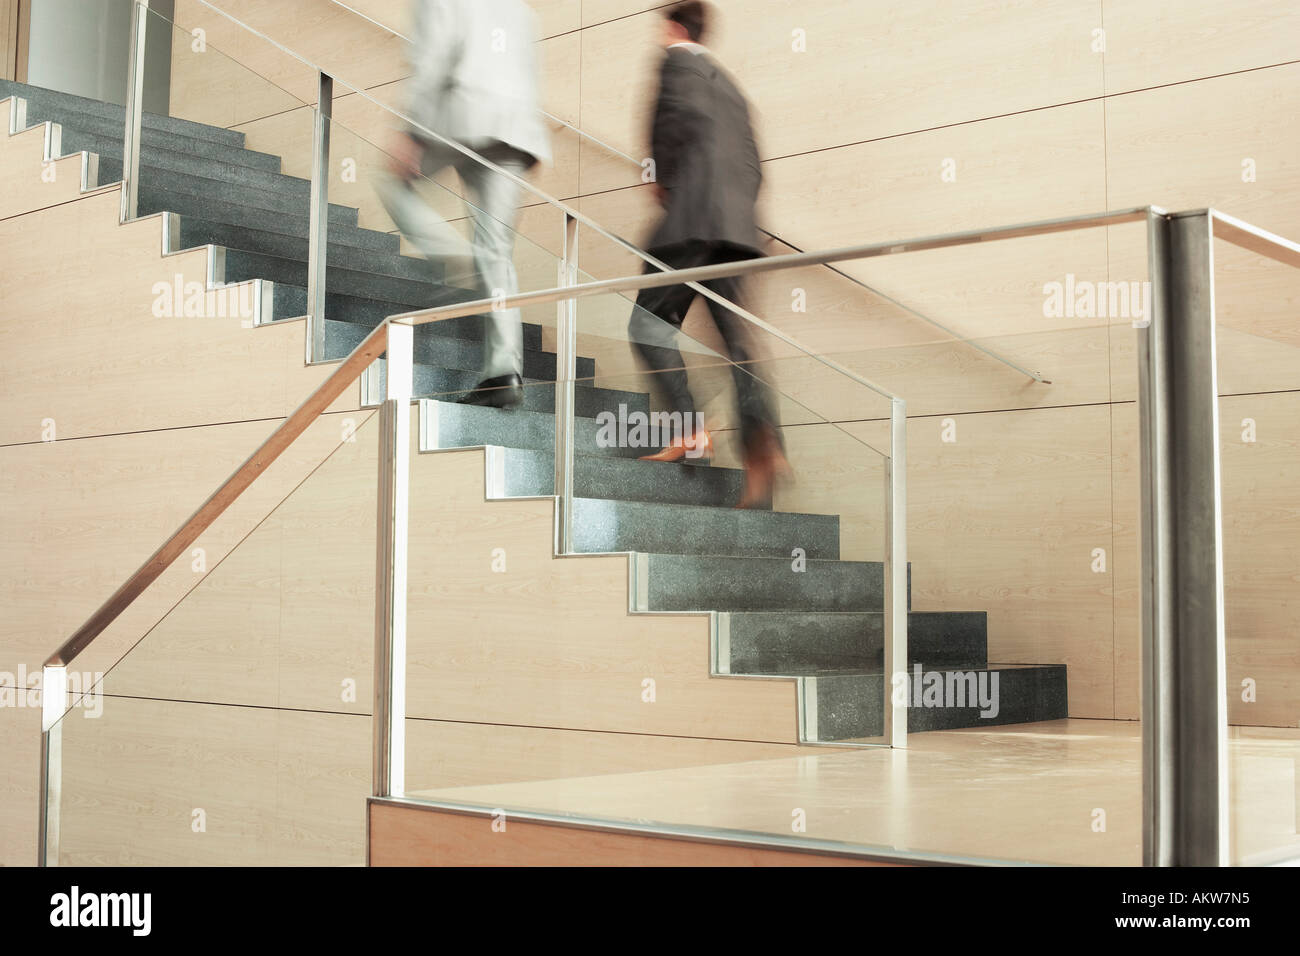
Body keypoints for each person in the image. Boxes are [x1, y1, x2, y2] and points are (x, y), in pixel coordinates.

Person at [630, 1, 790, 508]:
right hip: (738, 230)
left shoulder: (674, 62)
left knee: (648, 325)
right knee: (736, 341)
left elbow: (671, 127)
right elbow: (754, 164)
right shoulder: (732, 87)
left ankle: (689, 429)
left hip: (690, 223)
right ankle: (764, 442)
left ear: (673, 28)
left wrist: (660, 183)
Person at [377, 0, 550, 408]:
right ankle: (503, 373)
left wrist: (411, 130)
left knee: (393, 184)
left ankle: (457, 260)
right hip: (516, 132)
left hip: (462, 118)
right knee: (496, 251)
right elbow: (527, 69)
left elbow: (433, 54)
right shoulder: (520, 9)